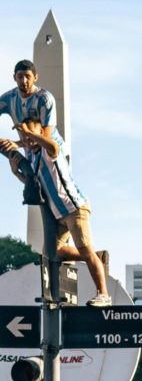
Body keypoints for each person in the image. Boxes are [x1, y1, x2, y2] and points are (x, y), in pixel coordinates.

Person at [0, 112, 110, 306]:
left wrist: (27, 135)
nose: (27, 138)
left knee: (85, 249)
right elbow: (35, 185)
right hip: (58, 215)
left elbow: (52, 146)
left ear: (41, 132)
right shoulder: (33, 159)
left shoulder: (48, 148)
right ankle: (97, 257)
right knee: (55, 252)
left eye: (31, 134)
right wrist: (16, 173)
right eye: (25, 136)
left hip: (74, 207)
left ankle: (103, 294)